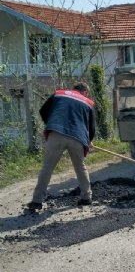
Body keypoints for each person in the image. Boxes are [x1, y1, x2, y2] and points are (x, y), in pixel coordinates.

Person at [27, 82, 96, 211]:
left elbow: (43, 111)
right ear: (85, 92)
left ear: (73, 89)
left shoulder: (59, 94)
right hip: (78, 137)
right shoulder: (88, 103)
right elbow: (91, 128)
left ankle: (37, 201)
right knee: (80, 167)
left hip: (56, 133)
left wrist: (51, 124)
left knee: (47, 167)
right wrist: (88, 140)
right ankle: (87, 197)